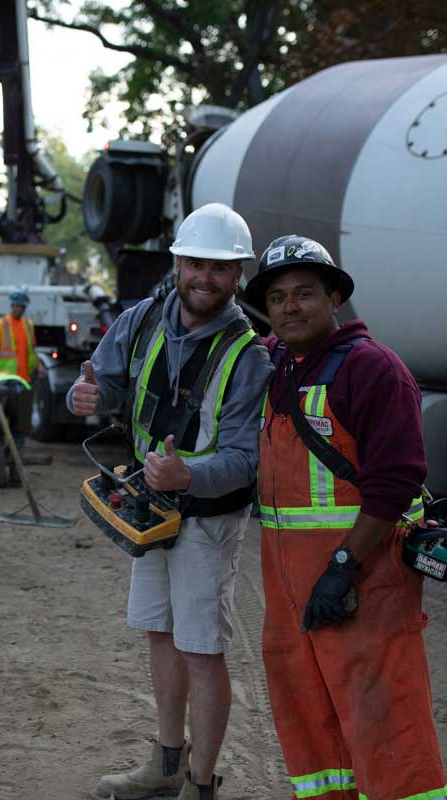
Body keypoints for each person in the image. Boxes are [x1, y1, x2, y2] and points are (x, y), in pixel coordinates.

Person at [69, 203, 272, 800]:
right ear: (177, 262)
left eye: (220, 267)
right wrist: (88, 396)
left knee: (202, 648)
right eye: (195, 263)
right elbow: (104, 382)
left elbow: (245, 459)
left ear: (238, 276)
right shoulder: (142, 319)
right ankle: (164, 766)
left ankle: (201, 786)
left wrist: (188, 475)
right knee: (161, 632)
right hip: (149, 509)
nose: (204, 276)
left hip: (207, 520)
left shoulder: (249, 356)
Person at [244, 235, 444, 800]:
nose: (290, 307)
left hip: (363, 586)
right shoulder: (277, 364)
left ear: (335, 296)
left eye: (305, 293)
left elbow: (395, 481)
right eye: (278, 297)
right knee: (313, 727)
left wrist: (342, 566)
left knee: (386, 726)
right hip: (291, 596)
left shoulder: (373, 369)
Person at [0, 287, 37, 381]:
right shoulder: (2, 324)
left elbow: (33, 349)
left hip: (25, 376)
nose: (20, 309)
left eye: (23, 307)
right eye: (18, 306)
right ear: (12, 305)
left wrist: (39, 366)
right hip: (6, 376)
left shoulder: (28, 324)